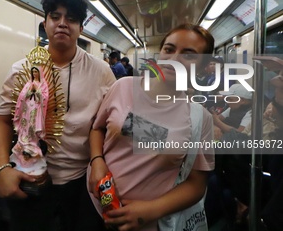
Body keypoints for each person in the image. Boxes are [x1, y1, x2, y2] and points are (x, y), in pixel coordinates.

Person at [0, 0, 116, 231]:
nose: (62, 24)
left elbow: (114, 120)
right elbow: (2, 121)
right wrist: (1, 168)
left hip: (82, 180)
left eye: (71, 19)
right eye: (55, 17)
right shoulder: (22, 70)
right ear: (45, 23)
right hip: (30, 176)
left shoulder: (100, 72)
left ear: (81, 28)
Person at [88, 23, 215, 231]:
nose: (174, 59)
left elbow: (197, 184)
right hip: (95, 203)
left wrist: (151, 210)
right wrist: (96, 161)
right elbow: (97, 128)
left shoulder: (200, 118)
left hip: (148, 223)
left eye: (189, 55)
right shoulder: (124, 87)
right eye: (169, 49)